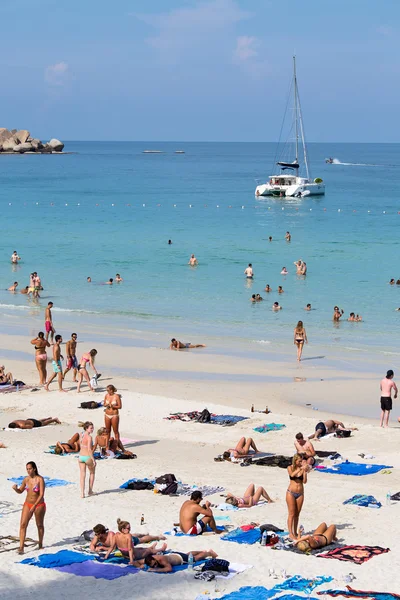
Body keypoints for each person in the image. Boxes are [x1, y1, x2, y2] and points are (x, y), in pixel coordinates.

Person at [12, 461, 46, 554]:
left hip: (39, 504)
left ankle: (40, 544)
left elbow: (41, 494)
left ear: (34, 469)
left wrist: (35, 505)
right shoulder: (26, 479)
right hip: (27, 504)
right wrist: (16, 489)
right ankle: (21, 547)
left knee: (39, 525)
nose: (28, 470)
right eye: (27, 469)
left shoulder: (40, 479)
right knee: (23, 524)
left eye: (30, 468)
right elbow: (21, 491)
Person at [90, 524, 165, 553]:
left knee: (141, 540)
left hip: (126, 541)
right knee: (133, 535)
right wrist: (93, 548)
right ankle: (143, 533)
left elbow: (114, 548)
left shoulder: (111, 535)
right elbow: (92, 544)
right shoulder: (97, 536)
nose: (95, 535)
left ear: (101, 533)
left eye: (97, 534)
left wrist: (102, 547)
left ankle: (157, 536)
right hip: (123, 537)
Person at [286, 454, 307, 540]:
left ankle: (295, 532)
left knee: (297, 514)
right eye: (299, 461)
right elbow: (292, 475)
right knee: (291, 513)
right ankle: (290, 533)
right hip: (291, 492)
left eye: (301, 461)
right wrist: (300, 469)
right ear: (295, 461)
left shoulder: (302, 469)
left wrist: (304, 472)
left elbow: (305, 481)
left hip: (300, 493)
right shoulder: (290, 467)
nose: (300, 462)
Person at [144, 549, 217, 572]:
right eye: (153, 565)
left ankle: (209, 553)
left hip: (180, 559)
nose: (155, 566)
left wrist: (155, 570)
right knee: (188, 555)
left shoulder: (161, 559)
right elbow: (140, 562)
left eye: (155, 564)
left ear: (155, 559)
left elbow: (169, 568)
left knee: (194, 559)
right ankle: (201, 551)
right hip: (173, 555)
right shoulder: (150, 558)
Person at [103, 384, 124, 451]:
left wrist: (113, 406)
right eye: (107, 390)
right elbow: (104, 404)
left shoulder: (116, 396)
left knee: (115, 431)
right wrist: (106, 405)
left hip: (114, 415)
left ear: (111, 390)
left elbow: (120, 406)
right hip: (107, 414)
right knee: (107, 430)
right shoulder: (106, 395)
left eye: (108, 390)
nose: (107, 391)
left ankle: (117, 444)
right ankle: (107, 444)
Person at [79, 421, 96, 498]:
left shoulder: (81, 434)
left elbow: (81, 445)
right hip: (87, 457)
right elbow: (89, 449)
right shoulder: (89, 437)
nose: (92, 430)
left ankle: (82, 493)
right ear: (86, 428)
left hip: (80, 456)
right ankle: (90, 491)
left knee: (82, 475)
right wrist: (93, 459)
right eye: (91, 428)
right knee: (92, 472)